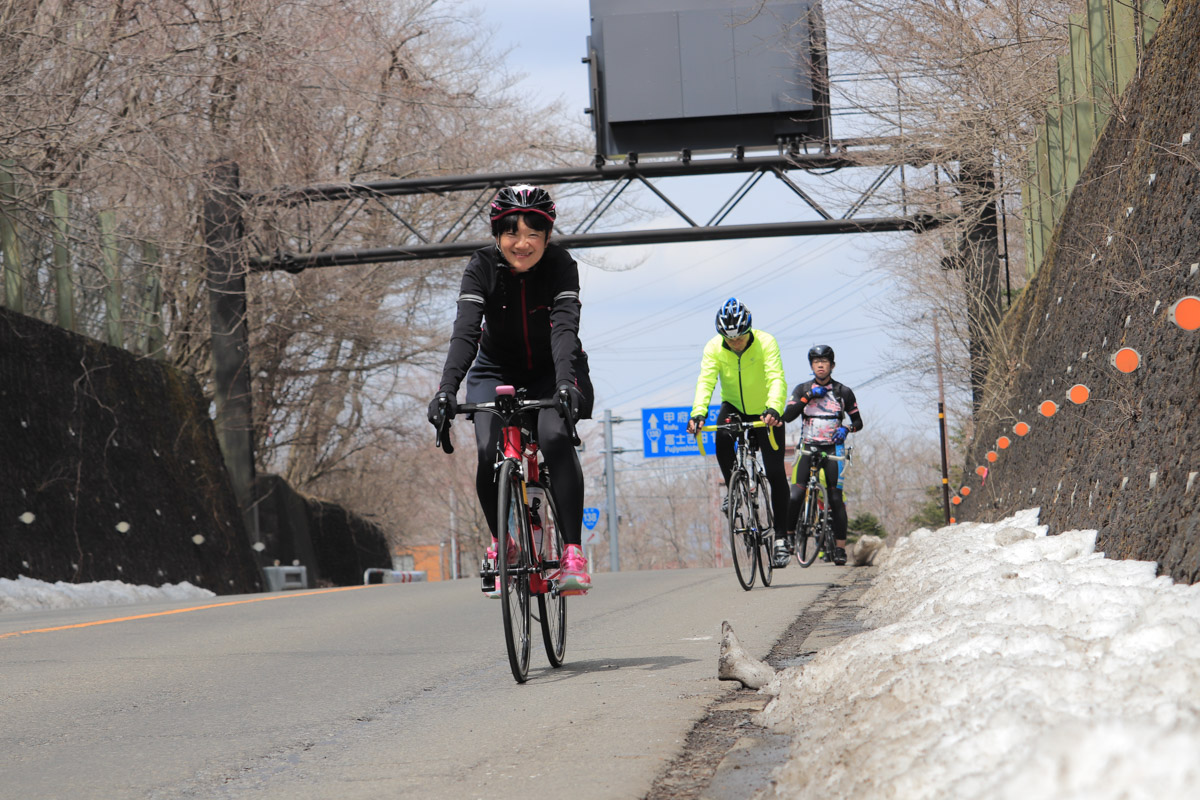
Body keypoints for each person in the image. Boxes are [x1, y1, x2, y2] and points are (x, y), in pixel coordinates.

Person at [427, 185, 593, 595]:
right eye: (512, 233)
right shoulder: (481, 266)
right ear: (497, 235)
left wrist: (564, 384)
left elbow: (565, 330)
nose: (522, 244)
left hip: (552, 368)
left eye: (533, 234)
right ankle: (505, 542)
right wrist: (447, 389)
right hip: (494, 367)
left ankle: (572, 553)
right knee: (489, 450)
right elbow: (466, 331)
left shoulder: (560, 265)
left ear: (547, 237)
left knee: (554, 437)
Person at [686, 298, 789, 555]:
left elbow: (776, 377)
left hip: (766, 411)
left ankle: (781, 538)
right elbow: (706, 381)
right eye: (729, 339)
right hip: (734, 406)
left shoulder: (766, 342)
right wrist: (698, 413)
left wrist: (774, 407)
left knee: (776, 473)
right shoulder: (714, 348)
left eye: (740, 338)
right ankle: (735, 487)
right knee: (721, 439)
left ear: (749, 330)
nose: (735, 343)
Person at [781, 344, 864, 566]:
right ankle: (789, 537)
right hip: (808, 446)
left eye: (824, 362)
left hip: (832, 449)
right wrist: (807, 397)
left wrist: (847, 429)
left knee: (836, 499)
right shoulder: (802, 389)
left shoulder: (843, 392)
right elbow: (787, 416)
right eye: (816, 362)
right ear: (811, 366)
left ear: (832, 366)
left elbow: (858, 421)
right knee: (796, 495)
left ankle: (839, 549)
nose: (820, 365)